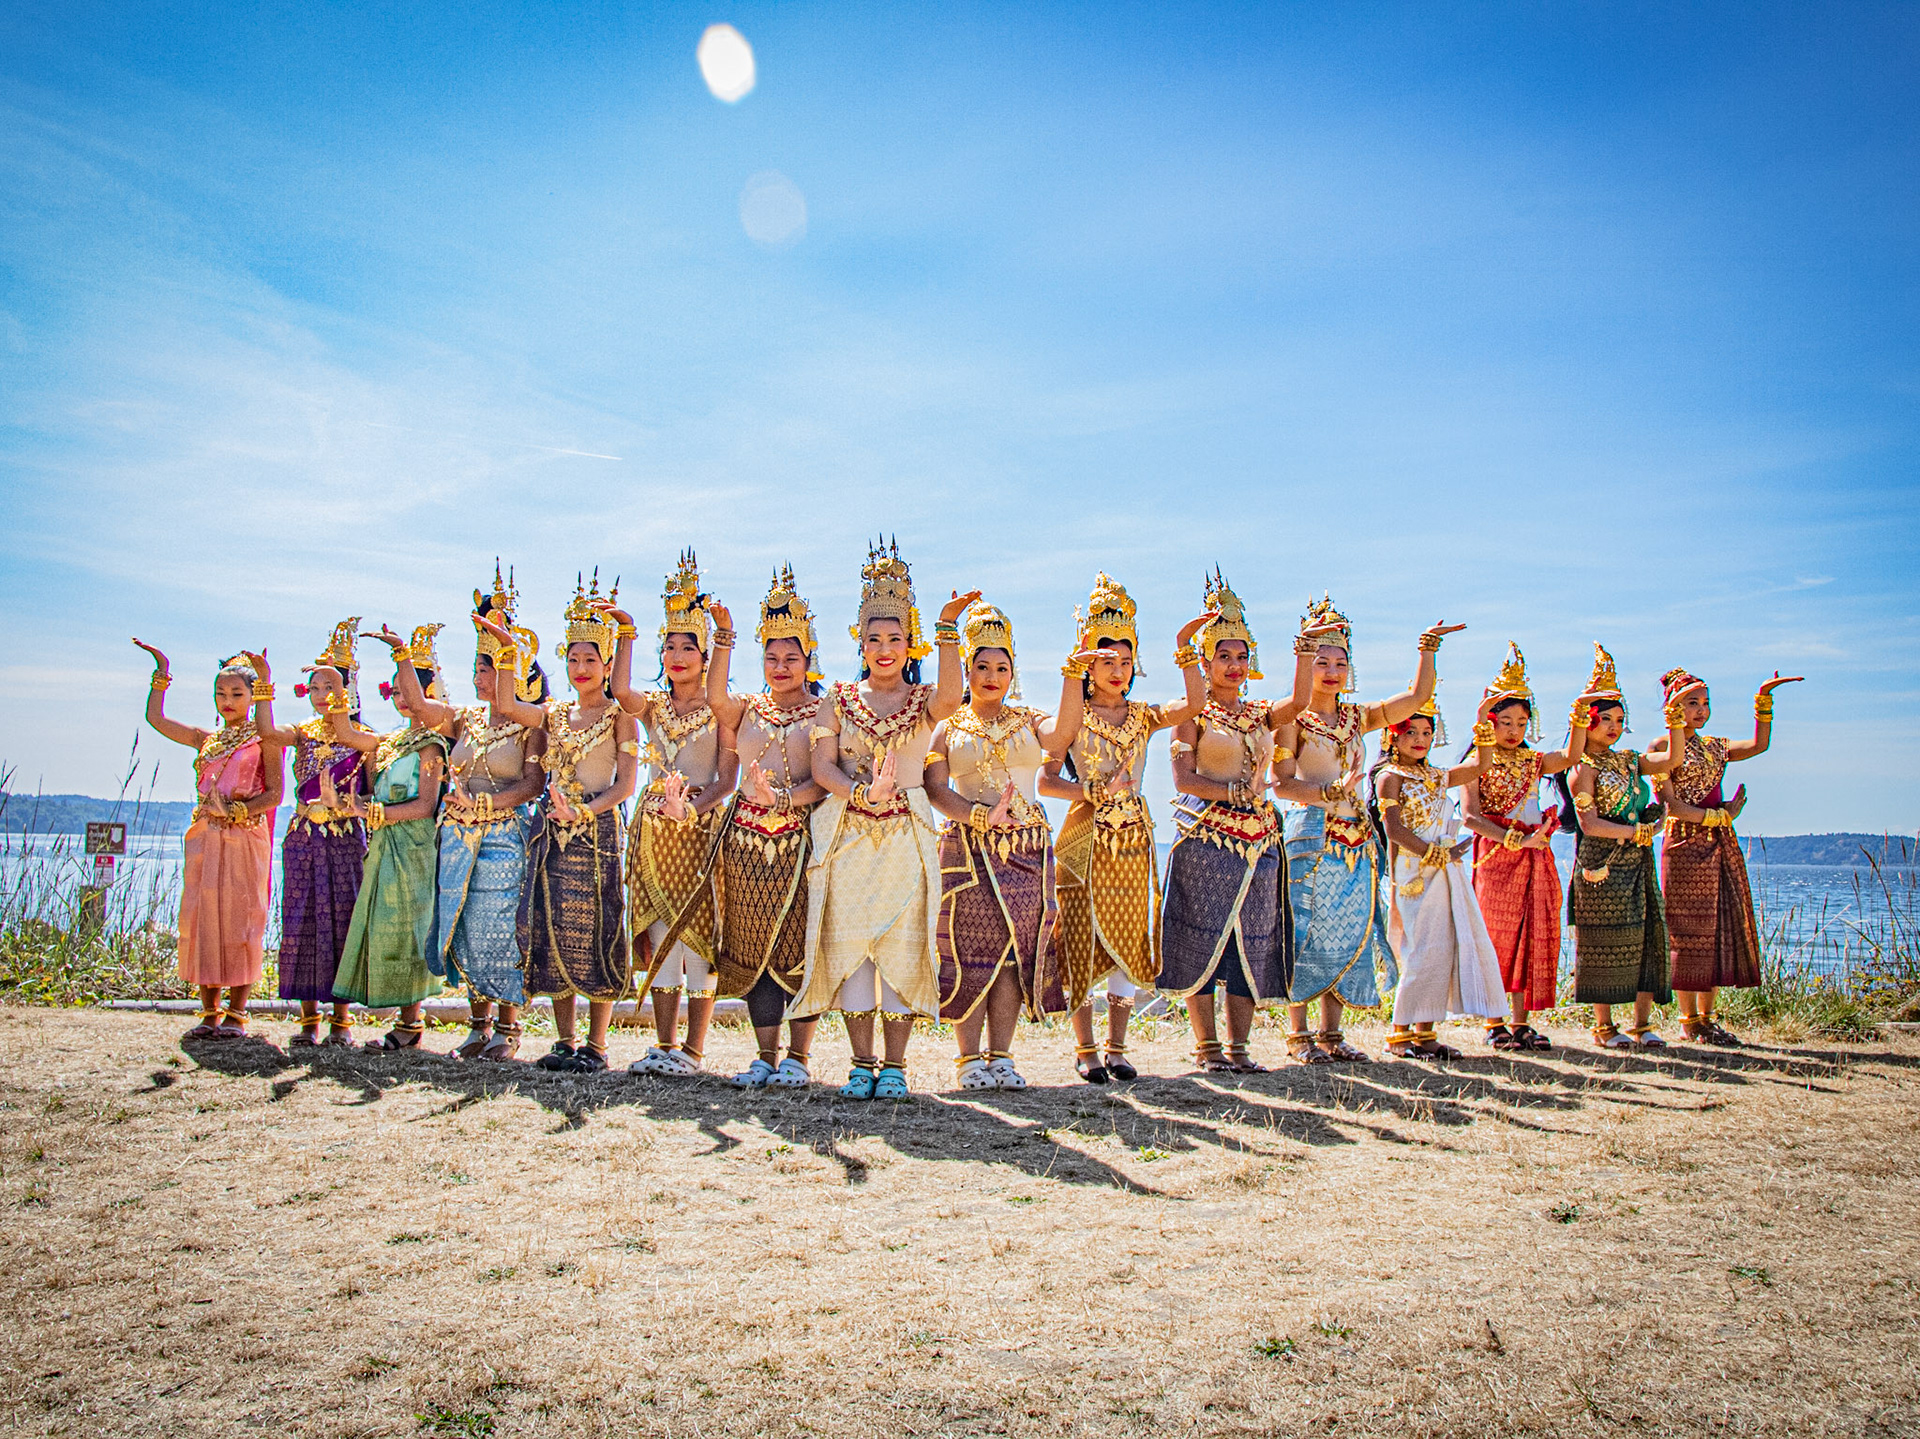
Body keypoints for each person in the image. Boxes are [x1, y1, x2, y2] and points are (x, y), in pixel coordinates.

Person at [795, 539, 975, 1100]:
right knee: (853, 949)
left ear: (909, 640)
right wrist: (860, 793)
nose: (884, 649)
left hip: (905, 839)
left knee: (902, 944)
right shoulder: (838, 699)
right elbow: (822, 767)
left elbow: (954, 696)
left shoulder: (924, 700)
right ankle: (860, 1063)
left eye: (895, 638)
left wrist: (948, 628)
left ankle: (895, 1066)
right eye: (873, 639)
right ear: (861, 641)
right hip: (848, 835)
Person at [1271, 596, 1464, 1064]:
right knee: (1306, 931)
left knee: (1349, 930)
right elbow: (1281, 784)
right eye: (1321, 662)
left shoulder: (1358, 717)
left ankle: (1332, 1035)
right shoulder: (1290, 719)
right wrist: (1329, 793)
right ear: (1306, 664)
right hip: (1311, 834)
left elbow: (1415, 699)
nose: (1332, 671)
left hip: (1355, 838)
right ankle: (1299, 1035)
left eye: (1340, 662)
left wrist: (1427, 649)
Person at [1040, 575, 1212, 1083]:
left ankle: (1117, 1047)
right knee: (1080, 938)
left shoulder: (1142, 716)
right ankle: (1086, 1049)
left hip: (1134, 838)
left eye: (1125, 660)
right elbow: (1046, 782)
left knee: (1128, 940)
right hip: (1084, 837)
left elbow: (1194, 705)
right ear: (1089, 667)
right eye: (1106, 661)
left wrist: (1185, 648)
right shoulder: (1072, 717)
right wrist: (1094, 791)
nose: (1117, 670)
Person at [478, 574, 641, 1073]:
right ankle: (565, 1040)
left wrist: (584, 812)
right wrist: (507, 652)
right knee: (553, 929)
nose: (581, 668)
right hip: (552, 831)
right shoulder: (554, 715)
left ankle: (597, 1045)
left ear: (607, 664)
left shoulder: (620, 716)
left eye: (590, 659)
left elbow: (626, 785)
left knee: (597, 929)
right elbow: (508, 705)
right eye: (573, 660)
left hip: (599, 829)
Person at [922, 602, 1085, 1089]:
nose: (992, 676)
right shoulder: (948, 727)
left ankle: (1002, 1056)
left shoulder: (1029, 720)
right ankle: (968, 1059)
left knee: (1016, 952)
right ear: (968, 671)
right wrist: (977, 815)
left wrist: (1073, 674)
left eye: (1002, 667)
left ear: (1013, 672)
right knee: (968, 953)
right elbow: (935, 789)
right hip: (968, 849)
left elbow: (1063, 734)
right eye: (982, 667)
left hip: (1027, 850)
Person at [1155, 572, 1312, 1073]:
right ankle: (1207, 1048)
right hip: (1205, 838)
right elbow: (1183, 778)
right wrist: (1232, 793)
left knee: (1254, 942)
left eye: (1242, 656)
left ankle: (1239, 1049)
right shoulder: (1191, 715)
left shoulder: (1261, 714)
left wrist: (1306, 651)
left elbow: (1300, 703)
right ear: (1206, 662)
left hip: (1260, 841)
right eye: (1223, 655)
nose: (1234, 665)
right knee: (1201, 938)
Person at [406, 567, 551, 1062]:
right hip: (458, 838)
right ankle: (477, 1025)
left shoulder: (531, 724)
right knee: (465, 926)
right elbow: (419, 706)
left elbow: (533, 784)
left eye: (488, 668)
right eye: (477, 667)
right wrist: (404, 656)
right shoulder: (464, 719)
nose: (479, 676)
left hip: (506, 836)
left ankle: (508, 1028)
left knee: (502, 929)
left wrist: (486, 805)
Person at [604, 551, 739, 1078]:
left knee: (699, 937)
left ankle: (694, 1050)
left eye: (689, 647)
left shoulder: (722, 709)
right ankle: (664, 1046)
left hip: (700, 829)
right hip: (656, 828)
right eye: (670, 646)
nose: (678, 655)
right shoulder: (656, 706)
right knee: (660, 933)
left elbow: (726, 780)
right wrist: (627, 634)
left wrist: (692, 810)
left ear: (705, 656)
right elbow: (620, 692)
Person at [703, 569, 829, 1089]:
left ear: (808, 660)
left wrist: (782, 799)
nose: (780, 667)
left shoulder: (824, 710)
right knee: (752, 943)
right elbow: (715, 695)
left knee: (800, 945)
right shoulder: (746, 709)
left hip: (803, 840)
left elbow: (824, 780)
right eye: (771, 658)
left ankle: (798, 1057)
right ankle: (764, 1055)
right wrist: (723, 637)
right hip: (746, 843)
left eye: (791, 658)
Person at [133, 639, 283, 1041]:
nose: (227, 701)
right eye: (221, 693)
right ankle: (209, 1010)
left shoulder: (264, 739)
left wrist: (235, 811)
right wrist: (161, 672)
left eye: (236, 693)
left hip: (245, 835)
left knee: (242, 917)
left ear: (252, 696)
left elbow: (274, 794)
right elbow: (156, 719)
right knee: (203, 917)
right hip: (205, 835)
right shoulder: (207, 739)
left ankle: (237, 1012)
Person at [1650, 666, 1802, 1045]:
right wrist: (1721, 815)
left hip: (1718, 842)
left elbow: (1758, 745)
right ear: (1673, 707)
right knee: (1687, 932)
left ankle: (1708, 1018)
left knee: (1716, 929)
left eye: (1705, 702)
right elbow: (1671, 806)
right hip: (1683, 844)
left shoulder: (1715, 746)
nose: (1700, 710)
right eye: (1691, 703)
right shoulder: (1661, 748)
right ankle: (1688, 1020)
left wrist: (1763, 699)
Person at [1558, 644, 1698, 1049]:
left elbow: (1672, 759)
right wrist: (1635, 832)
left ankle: (1641, 1024)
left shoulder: (1630, 760)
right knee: (1602, 943)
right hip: (1601, 863)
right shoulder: (1582, 768)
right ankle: (1604, 1027)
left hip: (1638, 859)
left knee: (1646, 937)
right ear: (1587, 721)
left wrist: (1674, 718)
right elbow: (1588, 823)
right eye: (1605, 719)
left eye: (1620, 720)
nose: (1614, 727)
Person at [329, 626, 452, 1050]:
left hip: (414, 844)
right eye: (396, 691)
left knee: (410, 927)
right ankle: (398, 1017)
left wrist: (374, 813)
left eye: (408, 690)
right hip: (384, 843)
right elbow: (346, 734)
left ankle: (410, 1022)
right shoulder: (390, 741)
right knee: (384, 925)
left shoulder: (432, 745)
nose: (402, 698)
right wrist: (338, 677)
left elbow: (426, 804)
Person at [1459, 645, 1583, 1052]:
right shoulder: (1476, 762)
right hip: (1496, 856)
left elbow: (1573, 754)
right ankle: (1494, 1022)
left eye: (1522, 722)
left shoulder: (1534, 761)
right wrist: (1516, 840)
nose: (1514, 730)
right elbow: (1471, 818)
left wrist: (1580, 716)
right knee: (1498, 937)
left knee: (1532, 936)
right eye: (1505, 721)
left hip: (1535, 856)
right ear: (1490, 722)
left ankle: (1521, 1021)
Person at [257, 620, 369, 1047]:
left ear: (348, 690)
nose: (323, 695)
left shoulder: (363, 738)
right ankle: (308, 1019)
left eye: (331, 687)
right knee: (301, 920)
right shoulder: (302, 732)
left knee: (343, 920)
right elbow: (268, 733)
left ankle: (341, 1020)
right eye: (316, 687)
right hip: (305, 835)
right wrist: (264, 685)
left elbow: (372, 792)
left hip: (345, 837)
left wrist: (347, 803)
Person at [1373, 691, 1502, 1058]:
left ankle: (1425, 1033)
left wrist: (1483, 719)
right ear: (1392, 736)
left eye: (1427, 732)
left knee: (1441, 950)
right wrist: (1436, 853)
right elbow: (1394, 829)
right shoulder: (1389, 777)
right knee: (1421, 950)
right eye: (1411, 732)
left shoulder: (1437, 775)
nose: (1420, 739)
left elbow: (1481, 765)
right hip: (1413, 873)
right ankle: (1400, 1033)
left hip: (1443, 871)